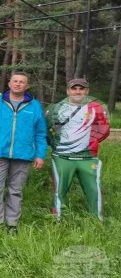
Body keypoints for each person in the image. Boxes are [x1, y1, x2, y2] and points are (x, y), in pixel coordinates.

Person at [0, 71, 48, 234]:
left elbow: (40, 132)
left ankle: (12, 224)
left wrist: (40, 154)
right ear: (9, 84)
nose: (18, 84)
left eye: (22, 82)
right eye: (15, 81)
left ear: (27, 86)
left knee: (15, 190)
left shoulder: (35, 106)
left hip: (23, 155)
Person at [45, 78, 110, 219]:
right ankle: (58, 219)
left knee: (94, 189)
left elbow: (104, 130)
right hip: (62, 157)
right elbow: (46, 130)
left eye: (81, 89)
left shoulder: (96, 108)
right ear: (68, 91)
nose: (78, 92)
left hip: (88, 157)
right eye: (74, 88)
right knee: (59, 190)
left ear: (87, 91)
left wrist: (91, 143)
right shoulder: (56, 108)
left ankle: (97, 220)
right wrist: (56, 144)